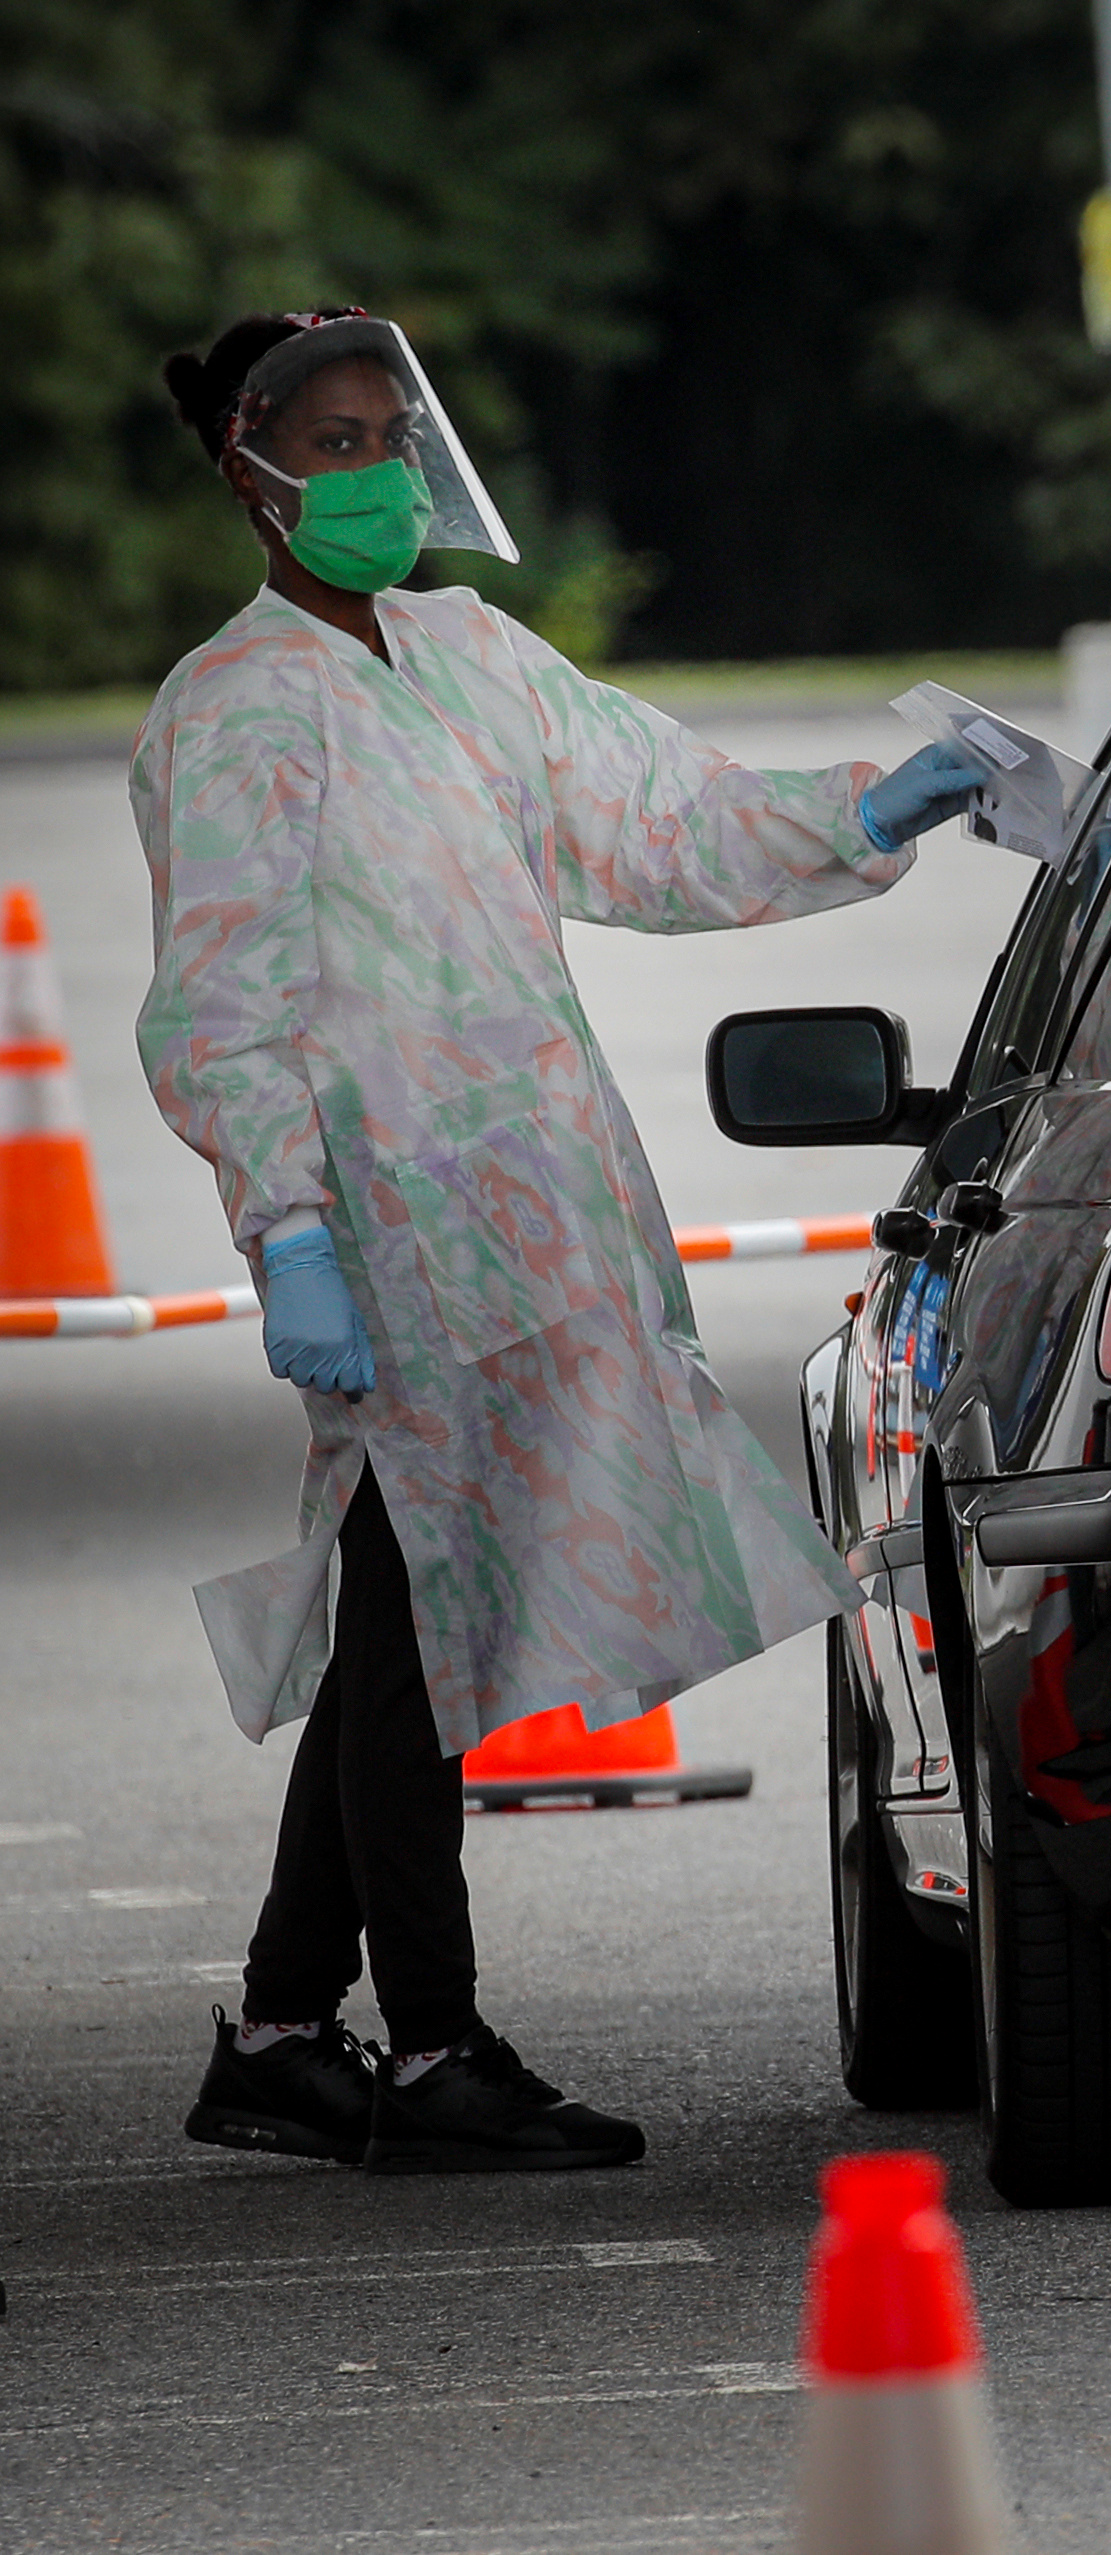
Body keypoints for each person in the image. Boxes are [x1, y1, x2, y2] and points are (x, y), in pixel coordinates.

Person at [138, 308, 986, 2173]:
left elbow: (660, 821)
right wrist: (288, 1228)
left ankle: (285, 2033)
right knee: (409, 1646)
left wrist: (865, 809)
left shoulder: (472, 657)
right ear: (253, 467)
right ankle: (428, 2049)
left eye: (392, 436)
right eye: (338, 441)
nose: (379, 474)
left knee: (405, 1621)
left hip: (531, 1224)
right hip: (390, 1242)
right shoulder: (233, 711)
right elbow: (221, 1002)